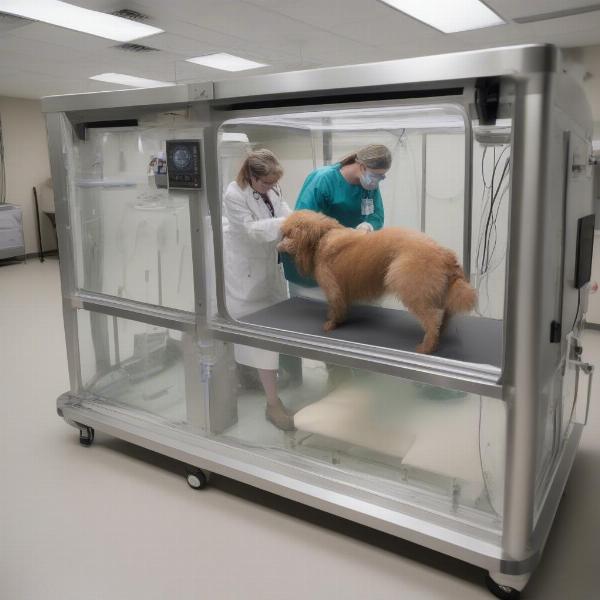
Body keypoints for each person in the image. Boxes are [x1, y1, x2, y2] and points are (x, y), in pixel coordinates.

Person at [222, 149, 295, 431]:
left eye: (273, 183)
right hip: (246, 274)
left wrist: (297, 221)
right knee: (259, 336)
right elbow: (253, 231)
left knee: (275, 330)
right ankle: (273, 404)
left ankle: (258, 381)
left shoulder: (271, 187)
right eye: (265, 183)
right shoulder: (234, 194)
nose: (271, 187)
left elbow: (285, 211)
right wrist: (288, 224)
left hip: (269, 268)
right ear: (251, 177)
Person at [295, 143, 392, 231]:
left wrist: (368, 226)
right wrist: (337, 233)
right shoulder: (324, 180)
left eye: (381, 176)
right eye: (376, 175)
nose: (378, 180)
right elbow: (302, 221)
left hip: (353, 244)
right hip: (323, 244)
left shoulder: (369, 185)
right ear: (362, 167)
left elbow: (376, 215)